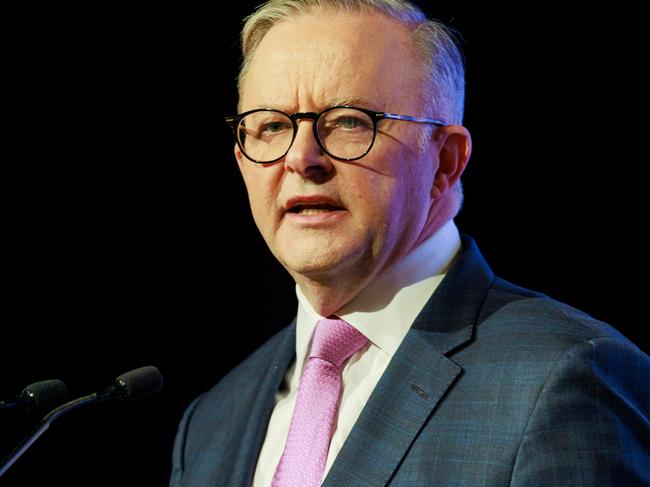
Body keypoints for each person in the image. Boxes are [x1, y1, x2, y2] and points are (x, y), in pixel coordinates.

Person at [170, 1, 649, 485]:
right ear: (242, 162)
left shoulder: (564, 375)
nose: (301, 157)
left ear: (445, 162)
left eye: (349, 120)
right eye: (272, 126)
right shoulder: (211, 423)